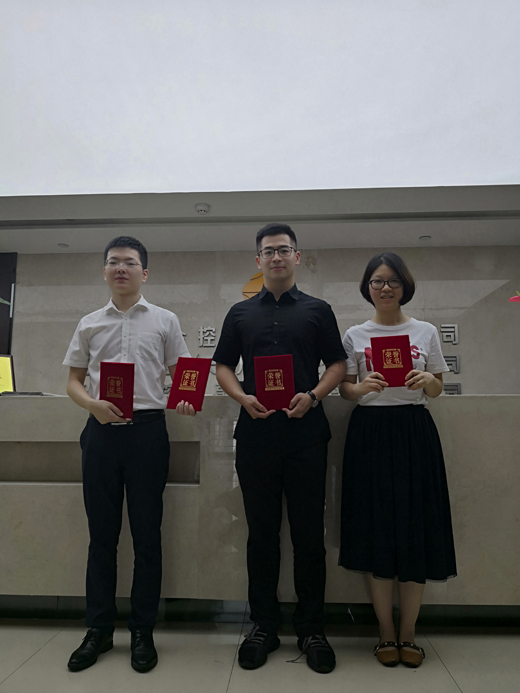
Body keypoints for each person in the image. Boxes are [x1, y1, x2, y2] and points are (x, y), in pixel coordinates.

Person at [213, 223, 346, 674]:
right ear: (258, 260)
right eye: (268, 251)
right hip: (256, 436)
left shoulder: (318, 310)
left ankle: (311, 629)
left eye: (284, 250)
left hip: (306, 435)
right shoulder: (239, 313)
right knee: (261, 535)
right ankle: (263, 627)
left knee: (309, 535)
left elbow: (338, 363)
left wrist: (314, 395)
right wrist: (242, 397)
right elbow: (222, 366)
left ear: (297, 257)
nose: (276, 257)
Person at [63, 236, 195, 673]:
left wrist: (186, 396)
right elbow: (73, 381)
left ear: (145, 273)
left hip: (147, 434)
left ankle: (142, 631)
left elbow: (183, 372)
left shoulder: (165, 320)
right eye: (114, 262)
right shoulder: (89, 323)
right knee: (101, 537)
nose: (122, 268)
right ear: (104, 271)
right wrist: (93, 405)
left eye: (130, 262)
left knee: (146, 536)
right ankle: (98, 630)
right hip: (100, 433)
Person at [339, 252, 456, 668]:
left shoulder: (425, 331)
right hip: (369, 434)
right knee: (376, 529)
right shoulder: (355, 334)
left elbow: (438, 387)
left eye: (392, 281)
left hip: (414, 433)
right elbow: (345, 389)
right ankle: (385, 633)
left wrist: (427, 380)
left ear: (405, 286)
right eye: (377, 281)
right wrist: (361, 388)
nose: (385, 288)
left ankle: (408, 634)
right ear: (367, 288)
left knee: (414, 529)